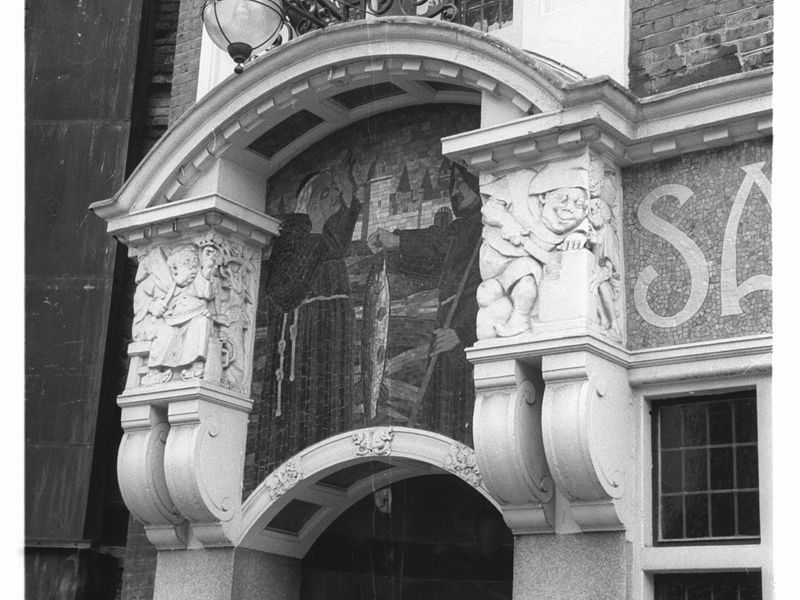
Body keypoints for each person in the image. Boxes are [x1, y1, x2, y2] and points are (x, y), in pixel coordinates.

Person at [252, 151, 361, 478]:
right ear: (312, 200)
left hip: (329, 350)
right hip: (301, 354)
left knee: (330, 414)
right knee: (301, 421)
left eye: (336, 200)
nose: (334, 206)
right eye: (329, 198)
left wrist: (350, 193)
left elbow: (336, 245)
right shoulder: (293, 236)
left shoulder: (320, 236)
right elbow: (284, 291)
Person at [367, 162, 482, 444]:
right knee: (439, 411)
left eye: (461, 183)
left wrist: (462, 332)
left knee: (460, 409)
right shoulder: (465, 227)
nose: (455, 191)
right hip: (447, 328)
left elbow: (442, 244)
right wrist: (393, 251)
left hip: (465, 334)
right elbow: (433, 259)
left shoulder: (482, 225)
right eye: (452, 184)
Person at [478, 162, 591, 337]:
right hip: (497, 256)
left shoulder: (575, 225)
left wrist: (581, 234)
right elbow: (490, 208)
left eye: (578, 204)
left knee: (527, 282)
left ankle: (519, 320)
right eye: (563, 199)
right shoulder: (520, 184)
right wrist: (506, 222)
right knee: (488, 293)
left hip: (527, 263)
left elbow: (595, 218)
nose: (569, 208)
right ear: (544, 196)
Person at [145, 242, 218, 382]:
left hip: (191, 317)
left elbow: (205, 292)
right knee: (166, 331)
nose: (193, 270)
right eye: (188, 265)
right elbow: (141, 298)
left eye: (196, 266)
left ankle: (197, 364)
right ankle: (154, 371)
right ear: (174, 269)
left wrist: (207, 269)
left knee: (201, 322)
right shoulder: (160, 282)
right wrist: (152, 305)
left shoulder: (195, 282)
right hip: (169, 320)